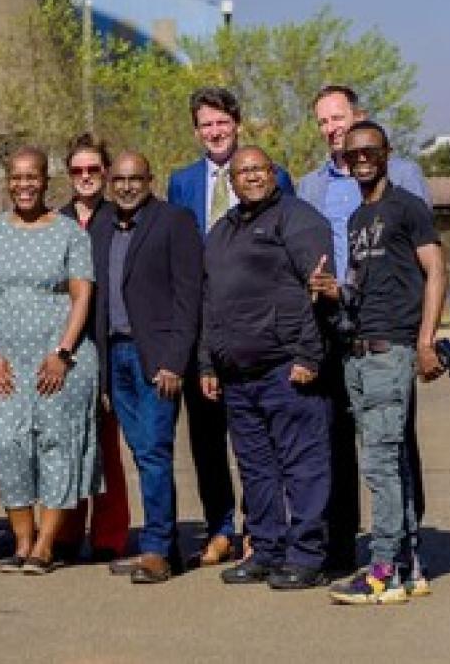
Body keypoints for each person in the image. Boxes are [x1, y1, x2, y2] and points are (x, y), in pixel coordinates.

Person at [297, 84, 431, 574]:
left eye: (338, 117)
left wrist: (423, 337)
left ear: (359, 117)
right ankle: (342, 544)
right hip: (334, 321)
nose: (332, 128)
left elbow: (422, 256)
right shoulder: (312, 186)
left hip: (389, 329)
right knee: (335, 437)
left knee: (392, 442)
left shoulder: (403, 177)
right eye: (323, 122)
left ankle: (402, 550)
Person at [313, 121, 446, 605]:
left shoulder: (408, 208)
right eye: (353, 153)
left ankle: (382, 572)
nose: (362, 157)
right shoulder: (355, 220)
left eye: (371, 149)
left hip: (392, 351)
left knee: (381, 465)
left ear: (388, 153)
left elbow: (436, 270)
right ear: (344, 163)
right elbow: (358, 286)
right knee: (392, 463)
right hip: (359, 352)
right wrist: (335, 292)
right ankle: (409, 566)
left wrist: (426, 340)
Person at [167, 86, 294, 567]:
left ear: (237, 124)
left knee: (258, 435)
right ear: (196, 131)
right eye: (205, 125)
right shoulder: (182, 182)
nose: (215, 132)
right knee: (206, 435)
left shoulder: (270, 173)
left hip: (258, 325)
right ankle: (220, 526)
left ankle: (261, 528)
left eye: (222, 122)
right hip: (204, 320)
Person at [199, 147, 333, 591]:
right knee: (256, 468)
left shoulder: (298, 219)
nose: (252, 177)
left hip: (286, 369)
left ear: (274, 174)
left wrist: (309, 357)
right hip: (237, 374)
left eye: (259, 169)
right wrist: (208, 362)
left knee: (302, 465)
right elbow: (209, 301)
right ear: (230, 182)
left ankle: (306, 554)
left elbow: (319, 289)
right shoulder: (221, 232)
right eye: (243, 172)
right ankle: (266, 549)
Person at [0, 146, 100, 575]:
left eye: (33, 177)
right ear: (9, 181)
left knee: (57, 445)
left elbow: (82, 295)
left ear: (46, 180)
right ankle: (21, 539)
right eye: (17, 177)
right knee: (8, 444)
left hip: (59, 359)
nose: (25, 185)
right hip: (1, 359)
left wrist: (63, 352)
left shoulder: (70, 233)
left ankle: (45, 543)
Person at [93, 152, 202, 584]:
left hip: (155, 359)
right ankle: (162, 544)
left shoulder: (174, 222)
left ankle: (157, 547)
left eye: (134, 178)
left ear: (150, 179)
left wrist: (175, 360)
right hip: (114, 354)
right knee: (139, 451)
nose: (125, 186)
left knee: (155, 451)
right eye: (117, 179)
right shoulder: (102, 226)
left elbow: (188, 297)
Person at [57, 134, 131, 564]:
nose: (85, 178)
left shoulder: (118, 219)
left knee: (107, 445)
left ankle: (110, 534)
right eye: (77, 171)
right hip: (64, 345)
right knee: (66, 444)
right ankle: (65, 530)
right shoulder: (57, 220)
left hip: (107, 341)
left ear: (105, 174)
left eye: (93, 170)